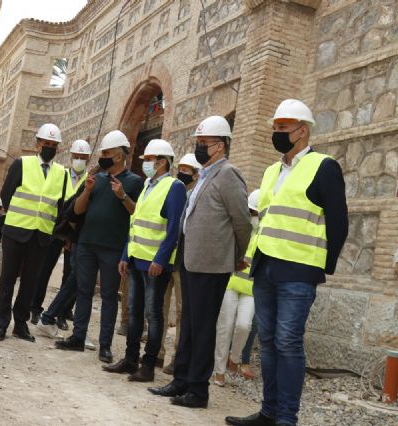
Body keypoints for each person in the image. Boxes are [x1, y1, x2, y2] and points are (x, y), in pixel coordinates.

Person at [226, 100, 348, 426]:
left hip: (299, 270)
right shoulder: (271, 172)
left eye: (283, 127)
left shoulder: (324, 166)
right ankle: (269, 412)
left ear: (302, 130)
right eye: (275, 127)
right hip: (265, 267)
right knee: (267, 342)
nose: (276, 133)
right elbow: (265, 221)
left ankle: (286, 419)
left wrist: (322, 266)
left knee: (288, 342)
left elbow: (339, 222)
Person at [148, 115, 252, 409]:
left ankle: (198, 390)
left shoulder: (229, 174)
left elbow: (242, 223)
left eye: (204, 142)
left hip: (212, 264)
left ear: (220, 146)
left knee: (203, 328)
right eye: (198, 142)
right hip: (191, 261)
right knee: (189, 325)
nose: (199, 147)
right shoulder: (205, 175)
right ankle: (181, 380)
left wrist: (234, 257)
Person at [54, 130, 143, 364]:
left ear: (120, 155)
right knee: (83, 291)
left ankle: (105, 345)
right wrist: (87, 190)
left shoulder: (134, 182)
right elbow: (77, 210)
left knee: (108, 296)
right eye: (102, 153)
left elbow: (136, 213)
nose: (103, 157)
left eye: (107, 153)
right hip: (86, 244)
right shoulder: (96, 179)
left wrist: (122, 195)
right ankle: (78, 337)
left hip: (113, 247)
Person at [103, 139, 186, 382]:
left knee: (153, 314)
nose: (146, 164)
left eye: (149, 160)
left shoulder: (175, 187)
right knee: (134, 311)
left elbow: (174, 229)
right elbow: (136, 222)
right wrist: (125, 254)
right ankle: (130, 360)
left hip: (155, 265)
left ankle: (148, 365)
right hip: (136, 259)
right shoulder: (148, 184)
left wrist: (161, 260)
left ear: (162, 162)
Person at [0, 123, 67, 343]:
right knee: (7, 280)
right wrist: (17, 218)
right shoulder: (21, 164)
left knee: (30, 283)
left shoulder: (61, 173)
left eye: (54, 144)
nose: (50, 147)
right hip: (16, 231)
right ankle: (1, 324)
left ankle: (20, 324)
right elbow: (6, 195)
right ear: (38, 144)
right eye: (46, 143)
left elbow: (61, 206)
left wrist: (52, 230)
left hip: (41, 235)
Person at [30, 139, 91, 328]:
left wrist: (72, 234)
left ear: (88, 159)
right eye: (76, 156)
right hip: (55, 230)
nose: (79, 160)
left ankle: (62, 314)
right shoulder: (60, 175)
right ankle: (35, 308)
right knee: (43, 270)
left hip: (76, 233)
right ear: (71, 157)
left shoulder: (90, 179)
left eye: (83, 157)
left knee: (71, 275)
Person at [213, 189, 260, 387]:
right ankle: (219, 371)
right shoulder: (237, 229)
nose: (252, 216)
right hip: (231, 283)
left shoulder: (265, 235)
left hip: (250, 288)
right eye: (250, 212)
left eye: (255, 213)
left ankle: (234, 357)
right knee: (225, 326)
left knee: (243, 326)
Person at [160, 153, 201, 375]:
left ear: (195, 174)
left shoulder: (198, 195)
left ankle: (177, 358)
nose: (181, 173)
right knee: (160, 306)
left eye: (186, 170)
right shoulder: (173, 191)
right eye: (180, 169)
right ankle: (157, 352)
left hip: (184, 260)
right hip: (168, 257)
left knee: (182, 310)